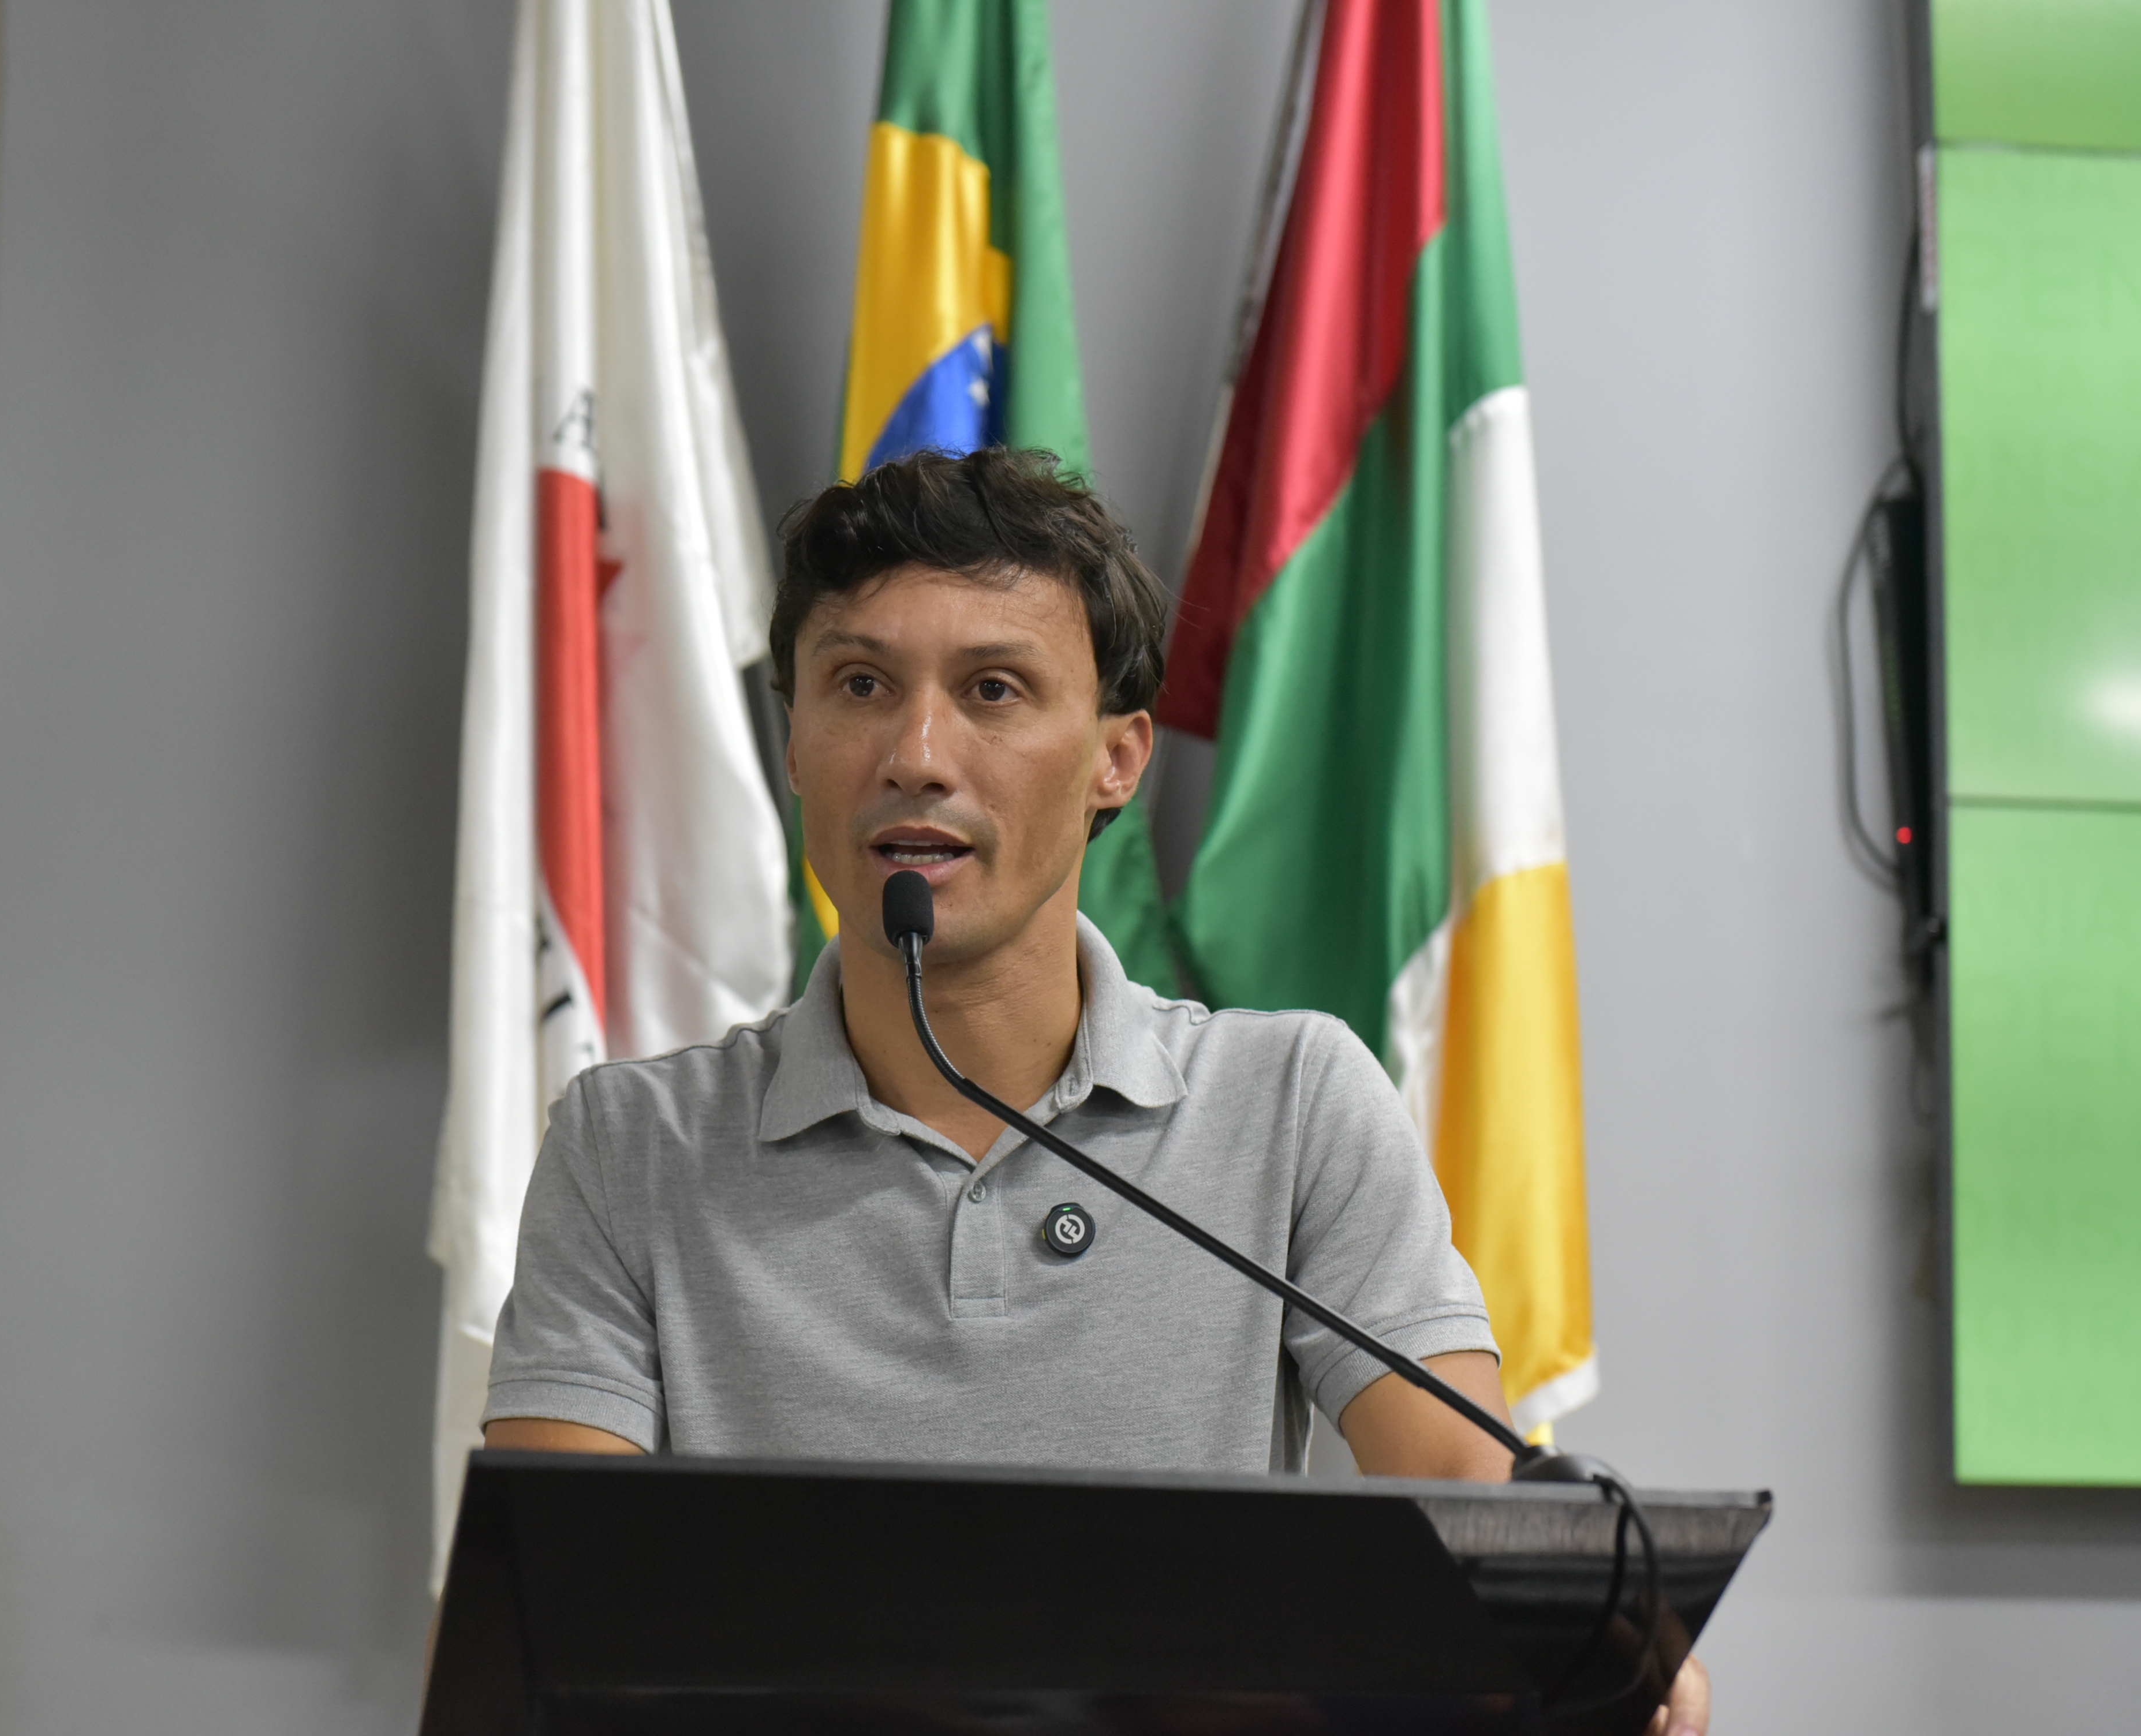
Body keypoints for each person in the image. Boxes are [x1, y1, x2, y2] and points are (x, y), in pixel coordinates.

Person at [481, 446, 1707, 1735]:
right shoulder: (629, 1145)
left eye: (994, 690)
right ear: (796, 741)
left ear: (1118, 760)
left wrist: (1586, 1626)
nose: (917, 754)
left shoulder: (1292, 1101)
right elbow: (550, 1629)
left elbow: (1468, 1495)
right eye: (860, 684)